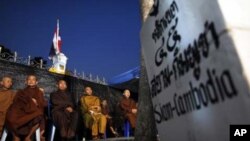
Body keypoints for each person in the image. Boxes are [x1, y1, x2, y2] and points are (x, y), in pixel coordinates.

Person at [6, 74, 46, 141]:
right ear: (26, 82)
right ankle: (16, 136)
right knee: (11, 114)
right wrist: (30, 100)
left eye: (33, 79)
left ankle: (28, 137)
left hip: (32, 111)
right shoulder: (21, 92)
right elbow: (16, 101)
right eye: (29, 79)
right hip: (21, 110)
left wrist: (36, 102)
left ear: (36, 82)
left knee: (39, 115)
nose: (31, 81)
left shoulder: (39, 92)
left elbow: (43, 104)